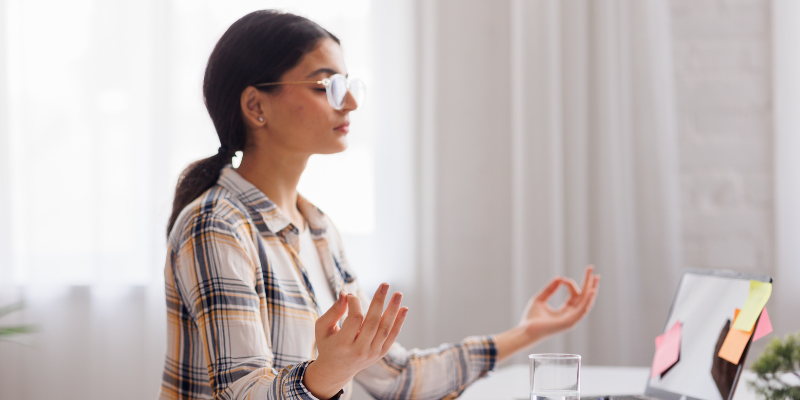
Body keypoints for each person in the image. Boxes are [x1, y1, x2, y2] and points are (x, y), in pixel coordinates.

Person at [159, 10, 600, 400]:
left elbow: (396, 379)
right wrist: (327, 372)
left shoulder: (318, 229)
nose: (349, 102)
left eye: (349, 85)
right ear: (257, 105)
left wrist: (527, 332)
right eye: (326, 85)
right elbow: (241, 393)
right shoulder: (216, 225)